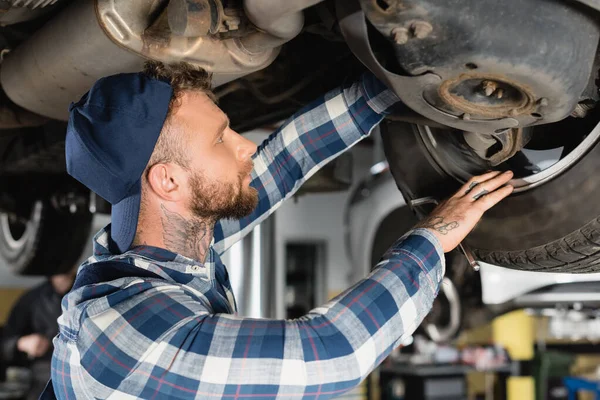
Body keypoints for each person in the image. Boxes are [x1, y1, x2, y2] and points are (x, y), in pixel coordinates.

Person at [42, 61, 513, 399]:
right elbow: (334, 353)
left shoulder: (173, 249)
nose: (245, 146)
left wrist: (403, 79)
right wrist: (432, 239)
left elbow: (287, 159)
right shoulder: (119, 333)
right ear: (168, 181)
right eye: (220, 138)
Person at [1, 272, 74, 400]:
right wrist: (22, 343)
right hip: (44, 380)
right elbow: (5, 341)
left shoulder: (89, 293)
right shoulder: (32, 299)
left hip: (84, 376)